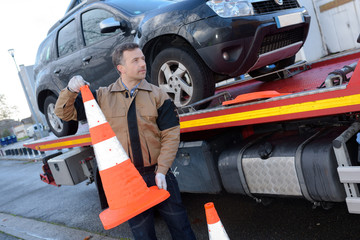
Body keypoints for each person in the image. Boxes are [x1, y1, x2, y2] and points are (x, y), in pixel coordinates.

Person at [54, 42, 196, 240]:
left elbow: (171, 135)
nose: (142, 64)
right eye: (135, 60)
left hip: (158, 174)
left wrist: (162, 170)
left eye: (143, 59)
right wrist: (70, 89)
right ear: (121, 68)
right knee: (143, 234)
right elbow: (63, 112)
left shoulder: (158, 95)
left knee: (182, 229)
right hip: (128, 184)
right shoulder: (102, 97)